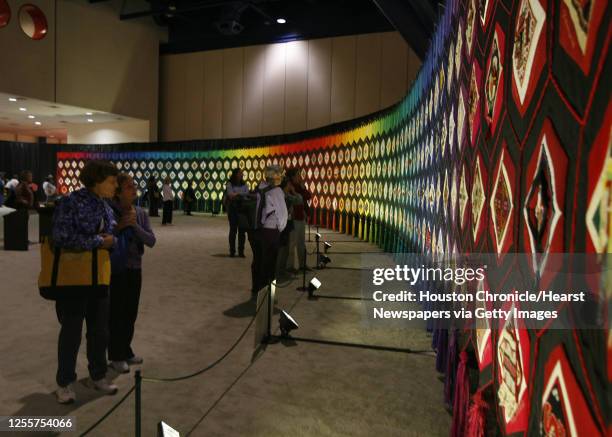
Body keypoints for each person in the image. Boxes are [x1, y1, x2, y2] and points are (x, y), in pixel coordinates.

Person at [51, 159, 119, 404]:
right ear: (96, 181)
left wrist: (110, 240)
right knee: (71, 331)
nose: (115, 186)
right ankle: (65, 382)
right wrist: (99, 241)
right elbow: (61, 236)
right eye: (111, 181)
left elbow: (113, 235)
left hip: (99, 276)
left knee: (100, 330)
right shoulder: (70, 202)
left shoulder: (105, 205)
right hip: (74, 278)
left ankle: (97, 375)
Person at [108, 173, 156, 374]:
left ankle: (126, 350)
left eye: (133, 185)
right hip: (117, 269)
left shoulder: (140, 213)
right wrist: (120, 226)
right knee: (116, 313)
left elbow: (151, 240)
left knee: (130, 312)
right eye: (129, 186)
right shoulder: (109, 212)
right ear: (118, 193)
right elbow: (106, 238)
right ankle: (116, 355)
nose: (134, 189)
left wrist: (134, 226)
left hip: (135, 269)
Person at [248, 165, 287, 296]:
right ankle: (267, 294)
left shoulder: (260, 188)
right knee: (270, 263)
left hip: (257, 230)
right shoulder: (276, 191)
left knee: (259, 259)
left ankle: (256, 289)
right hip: (271, 231)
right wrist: (280, 229)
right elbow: (283, 215)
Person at [286, 168, 312, 272]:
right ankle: (289, 266)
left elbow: (308, 196)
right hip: (293, 218)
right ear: (292, 177)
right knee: (292, 243)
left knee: (301, 242)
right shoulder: (289, 187)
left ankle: (302, 264)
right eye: (297, 175)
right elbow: (297, 199)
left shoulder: (300, 186)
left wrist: (303, 188)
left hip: (301, 217)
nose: (300, 177)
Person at [225, 169, 249, 257]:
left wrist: (237, 194)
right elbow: (230, 194)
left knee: (242, 231)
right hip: (233, 209)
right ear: (236, 174)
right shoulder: (230, 183)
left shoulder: (244, 184)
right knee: (233, 230)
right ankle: (232, 251)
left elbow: (247, 193)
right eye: (240, 173)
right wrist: (240, 194)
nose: (242, 174)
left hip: (242, 209)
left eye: (242, 173)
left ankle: (241, 251)